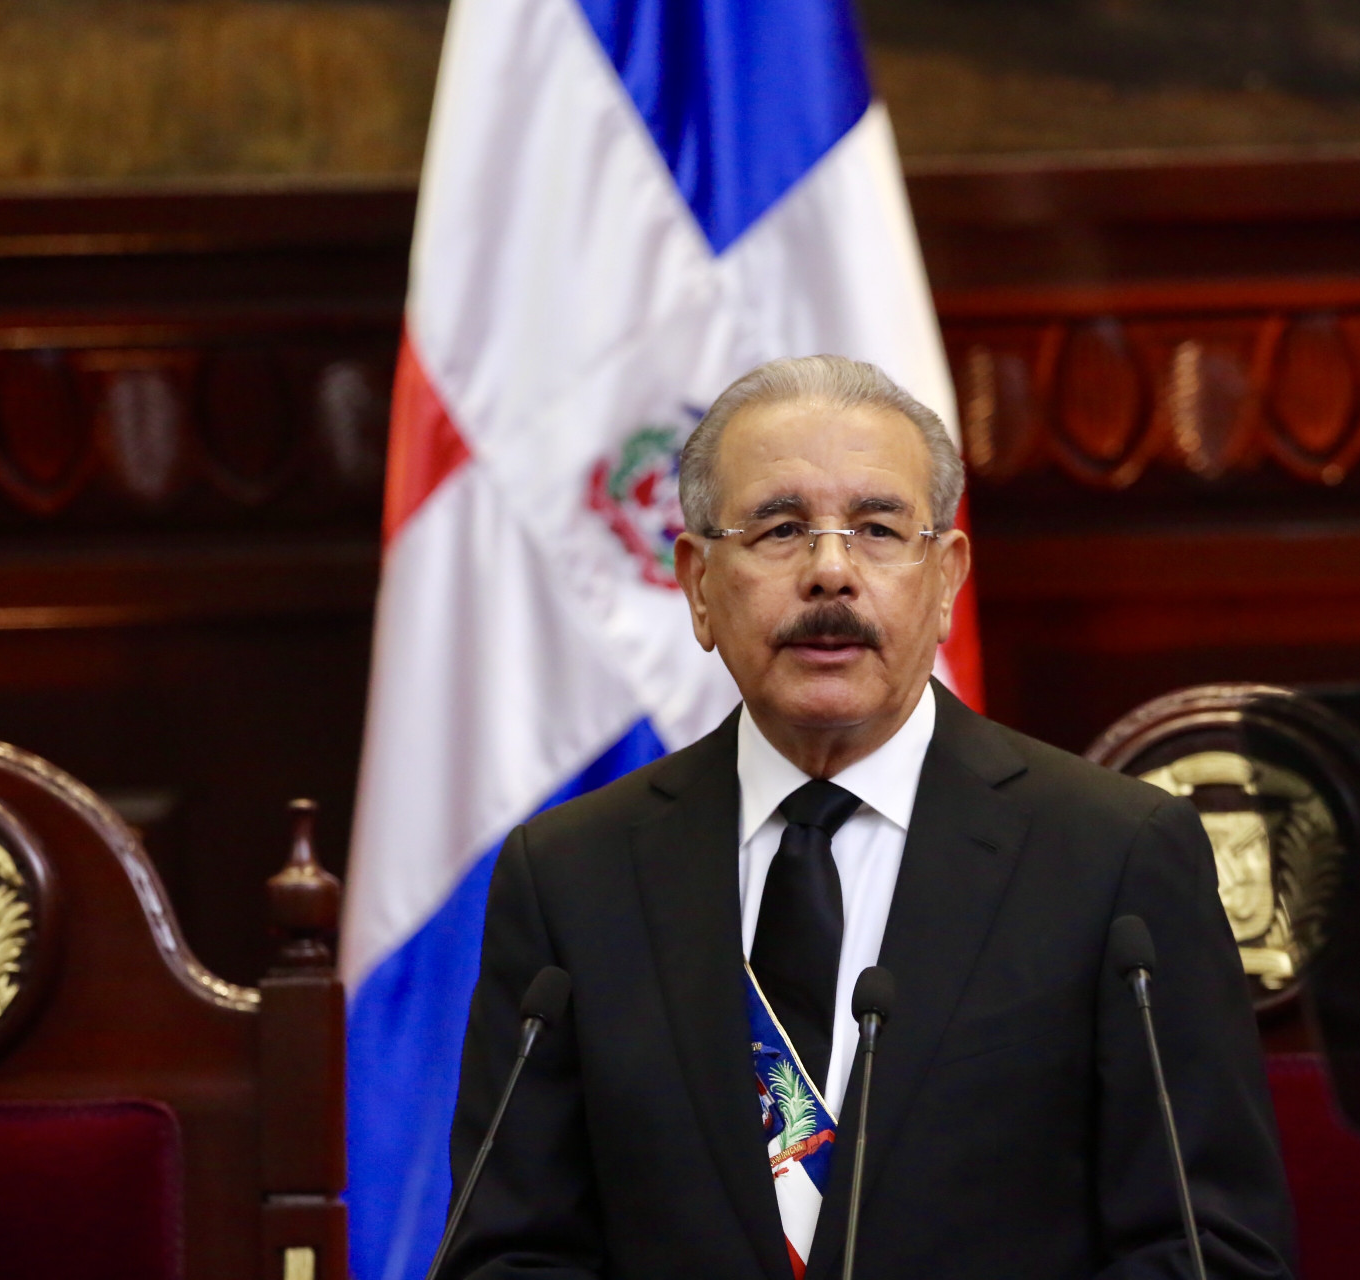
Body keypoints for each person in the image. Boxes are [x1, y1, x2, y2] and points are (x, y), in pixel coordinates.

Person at [440, 355, 1296, 1280]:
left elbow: (1211, 1251)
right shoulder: (575, 876)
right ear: (697, 583)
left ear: (946, 579)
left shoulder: (1111, 857)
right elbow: (510, 1254)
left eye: (879, 530)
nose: (831, 572)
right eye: (780, 529)